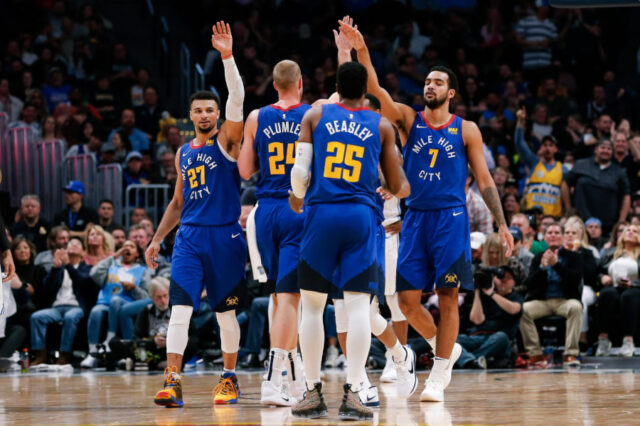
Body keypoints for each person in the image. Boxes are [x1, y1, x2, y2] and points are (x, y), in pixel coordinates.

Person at [339, 20, 513, 403]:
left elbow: (484, 180)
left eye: (437, 82)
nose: (429, 85)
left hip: (450, 217)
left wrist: (502, 224)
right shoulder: (407, 119)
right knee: (406, 302)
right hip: (415, 218)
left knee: (449, 296)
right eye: (427, 81)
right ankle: (443, 352)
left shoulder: (465, 129)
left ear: (450, 92)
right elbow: (375, 91)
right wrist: (362, 49)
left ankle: (438, 372)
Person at [287, 60, 409, 420]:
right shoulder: (382, 124)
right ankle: (355, 391)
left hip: (322, 215)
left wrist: (298, 196)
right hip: (360, 216)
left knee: (311, 306)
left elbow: (298, 174)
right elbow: (397, 184)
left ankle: (311, 392)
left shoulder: (314, 115)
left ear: (336, 88)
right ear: (365, 93)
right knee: (358, 307)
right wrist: (388, 186)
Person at [145, 21, 246, 408]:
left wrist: (227, 57)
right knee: (180, 310)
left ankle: (229, 378)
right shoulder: (184, 153)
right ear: (190, 114)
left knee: (225, 316)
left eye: (210, 110)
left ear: (218, 113)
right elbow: (176, 202)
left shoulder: (227, 141)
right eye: (198, 110)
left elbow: (237, 97)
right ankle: (172, 381)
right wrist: (157, 239)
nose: (204, 115)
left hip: (224, 238)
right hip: (188, 237)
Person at [238, 59, 309, 406]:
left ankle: (294, 383)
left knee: (282, 300)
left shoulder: (256, 117)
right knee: (291, 299)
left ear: (273, 84)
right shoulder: (313, 114)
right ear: (300, 83)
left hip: (264, 211)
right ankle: (272, 379)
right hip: (296, 207)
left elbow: (245, 169)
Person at [519, 223, 583, 367]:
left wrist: (556, 265)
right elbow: (529, 284)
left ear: (562, 237)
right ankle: (535, 354)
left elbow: (575, 280)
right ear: (545, 237)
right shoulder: (538, 257)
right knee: (522, 310)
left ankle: (571, 354)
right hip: (543, 301)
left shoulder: (573, 257)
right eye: (549, 232)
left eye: (557, 232)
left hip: (565, 301)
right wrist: (542, 268)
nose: (553, 235)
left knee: (576, 308)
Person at [81, 240, 151, 368]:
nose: (127, 248)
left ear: (137, 254)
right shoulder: (112, 266)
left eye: (131, 246)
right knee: (95, 311)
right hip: (105, 304)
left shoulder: (142, 270)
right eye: (124, 246)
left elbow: (146, 297)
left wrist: (134, 288)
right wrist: (113, 256)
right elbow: (94, 273)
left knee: (116, 300)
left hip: (127, 304)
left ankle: (110, 339)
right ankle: (92, 353)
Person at [30, 237, 95, 365]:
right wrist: (55, 268)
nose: (74, 245)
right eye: (71, 244)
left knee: (70, 317)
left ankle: (65, 354)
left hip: (76, 307)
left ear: (83, 252)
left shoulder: (87, 268)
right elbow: (47, 287)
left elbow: (82, 283)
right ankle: (40, 354)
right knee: (36, 317)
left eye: (77, 244)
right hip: (57, 307)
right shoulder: (59, 269)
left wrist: (68, 265)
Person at [457, 265, 523, 369]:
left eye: (508, 278)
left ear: (514, 282)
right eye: (500, 277)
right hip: (478, 338)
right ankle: (473, 361)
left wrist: (491, 293)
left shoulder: (516, 297)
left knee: (501, 337)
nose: (504, 280)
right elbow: (477, 320)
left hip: (500, 341)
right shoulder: (483, 297)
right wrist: (477, 291)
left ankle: (467, 359)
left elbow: (514, 309)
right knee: (453, 339)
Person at [562, 139, 631, 237]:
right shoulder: (581, 164)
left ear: (612, 152)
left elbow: (626, 196)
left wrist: (621, 221)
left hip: (607, 225)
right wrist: (568, 208)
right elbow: (565, 184)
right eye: (603, 148)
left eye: (609, 149)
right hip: (580, 220)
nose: (605, 151)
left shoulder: (619, 172)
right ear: (596, 150)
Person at [595, 224, 640, 357]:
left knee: (628, 296)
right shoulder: (611, 253)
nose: (630, 232)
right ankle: (603, 340)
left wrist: (633, 283)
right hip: (613, 286)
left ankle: (628, 341)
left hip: (635, 288)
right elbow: (597, 271)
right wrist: (602, 277)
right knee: (606, 294)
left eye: (635, 231)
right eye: (628, 230)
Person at [515, 107, 565, 217]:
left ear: (556, 149)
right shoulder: (535, 163)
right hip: (531, 215)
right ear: (541, 147)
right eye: (545, 145)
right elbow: (519, 144)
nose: (547, 148)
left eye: (551, 145)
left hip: (553, 218)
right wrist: (520, 122)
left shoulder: (563, 168)